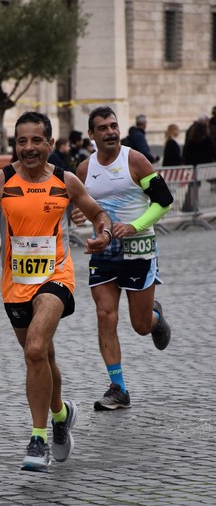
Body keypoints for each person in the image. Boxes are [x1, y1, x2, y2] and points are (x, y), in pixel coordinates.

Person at [0, 111, 112, 472]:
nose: (28, 148)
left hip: (55, 277)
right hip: (15, 285)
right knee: (42, 358)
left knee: (35, 348)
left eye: (36, 141)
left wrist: (102, 235)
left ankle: (38, 438)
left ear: (49, 143)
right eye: (21, 141)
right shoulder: (1, 180)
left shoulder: (65, 180)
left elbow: (98, 214)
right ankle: (61, 413)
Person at [73, 106, 173, 411]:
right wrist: (78, 215)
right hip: (104, 252)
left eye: (114, 126)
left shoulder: (135, 160)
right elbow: (81, 208)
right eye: (102, 128)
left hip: (139, 249)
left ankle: (155, 318)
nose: (110, 132)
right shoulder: (83, 170)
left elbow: (164, 201)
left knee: (139, 325)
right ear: (91, 135)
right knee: (105, 316)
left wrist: (134, 226)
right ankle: (119, 388)